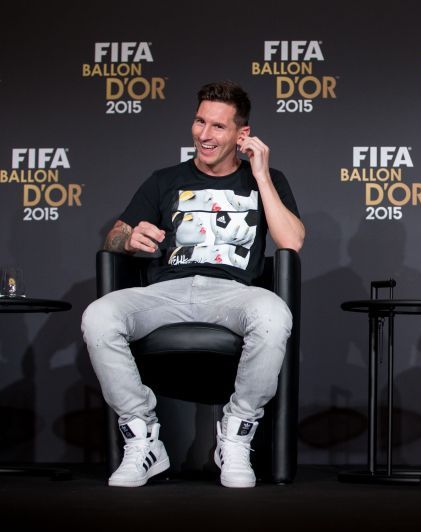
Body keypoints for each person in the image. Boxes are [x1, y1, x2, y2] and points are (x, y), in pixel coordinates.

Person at [82, 81, 304, 488]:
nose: (204, 135)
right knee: (99, 316)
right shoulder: (165, 180)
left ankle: (235, 435)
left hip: (234, 294)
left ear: (242, 134)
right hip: (168, 292)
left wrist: (261, 175)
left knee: (274, 315)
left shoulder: (266, 180)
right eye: (200, 121)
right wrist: (126, 239)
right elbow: (114, 236)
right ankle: (143, 438)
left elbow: (291, 241)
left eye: (218, 126)